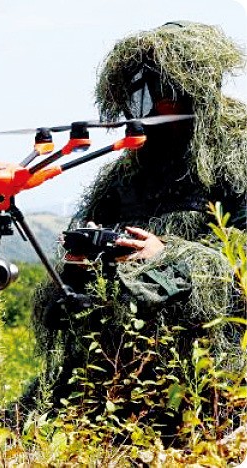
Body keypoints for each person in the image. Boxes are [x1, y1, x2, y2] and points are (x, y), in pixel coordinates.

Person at [25, 21, 247, 441]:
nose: (149, 105)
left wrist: (170, 253)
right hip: (121, 340)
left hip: (208, 348)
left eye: (161, 91)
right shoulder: (124, 175)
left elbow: (240, 263)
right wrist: (80, 259)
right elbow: (85, 259)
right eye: (141, 93)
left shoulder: (237, 157)